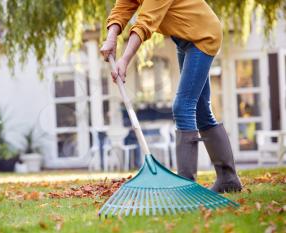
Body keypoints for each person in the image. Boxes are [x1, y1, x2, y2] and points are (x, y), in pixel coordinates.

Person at [100, 0, 242, 193]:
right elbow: (124, 6)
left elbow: (145, 23)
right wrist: (111, 37)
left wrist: (124, 60)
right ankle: (228, 179)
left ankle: (187, 185)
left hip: (203, 35)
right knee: (201, 110)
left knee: (182, 107)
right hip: (184, 38)